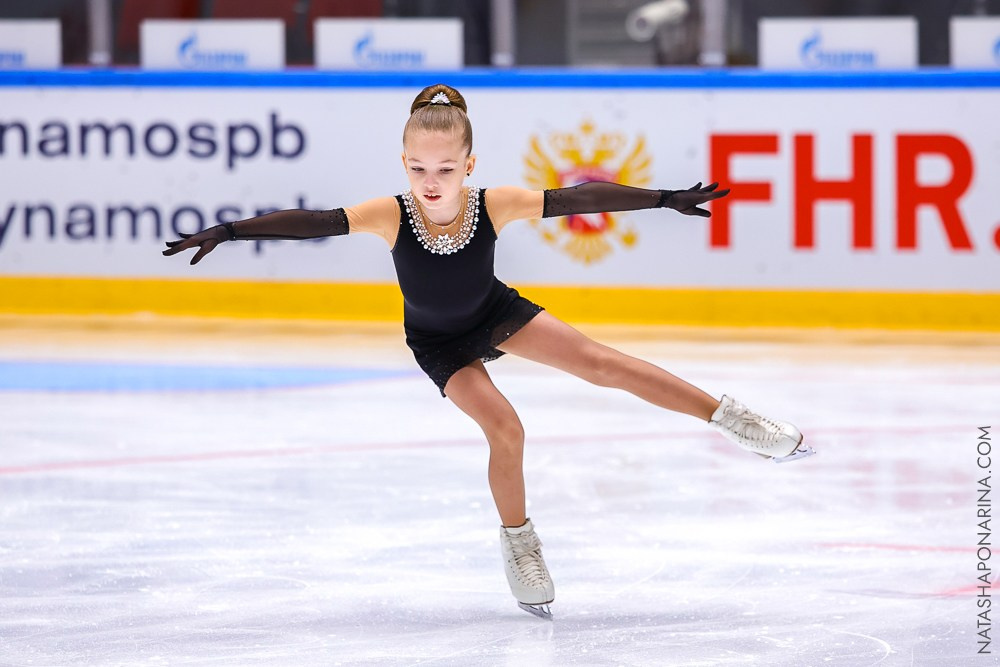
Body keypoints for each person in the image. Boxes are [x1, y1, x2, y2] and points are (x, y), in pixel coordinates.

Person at [163, 83, 814, 620]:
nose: (431, 181)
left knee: (603, 363)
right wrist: (231, 230)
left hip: (496, 313)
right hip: (439, 343)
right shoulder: (390, 214)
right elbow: (314, 223)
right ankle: (520, 543)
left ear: (469, 166)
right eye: (418, 169)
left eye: (446, 169)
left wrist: (664, 198)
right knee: (506, 428)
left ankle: (735, 421)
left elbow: (579, 198)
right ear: (403, 163)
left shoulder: (493, 204)